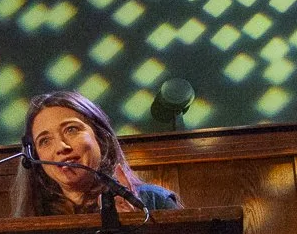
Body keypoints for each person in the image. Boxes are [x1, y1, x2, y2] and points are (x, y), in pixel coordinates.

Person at [11, 89, 180, 217]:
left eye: (71, 130)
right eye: (45, 141)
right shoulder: (30, 218)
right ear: (34, 156)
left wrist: (135, 226)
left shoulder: (155, 201)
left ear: (100, 136)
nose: (61, 147)